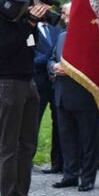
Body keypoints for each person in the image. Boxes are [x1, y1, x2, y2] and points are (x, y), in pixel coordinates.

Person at [0, 0, 50, 196]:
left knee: (27, 143)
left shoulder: (21, 15)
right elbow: (3, 49)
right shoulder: (1, 13)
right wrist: (29, 24)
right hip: (7, 82)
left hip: (27, 81)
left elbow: (31, 45)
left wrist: (30, 24)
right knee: (9, 144)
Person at [50, 2, 99, 191]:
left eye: (68, 14)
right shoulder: (61, 36)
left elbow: (98, 64)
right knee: (67, 138)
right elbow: (51, 58)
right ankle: (70, 174)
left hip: (83, 96)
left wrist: (71, 71)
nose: (64, 18)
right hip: (62, 96)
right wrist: (53, 67)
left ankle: (87, 177)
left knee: (87, 140)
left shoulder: (91, 37)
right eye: (63, 14)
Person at [33, 11, 62, 173]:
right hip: (39, 83)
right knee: (33, 121)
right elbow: (31, 56)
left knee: (59, 123)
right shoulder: (31, 31)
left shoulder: (56, 29)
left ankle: (57, 162)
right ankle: (27, 159)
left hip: (57, 82)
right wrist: (49, 59)